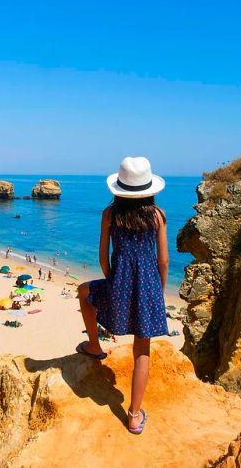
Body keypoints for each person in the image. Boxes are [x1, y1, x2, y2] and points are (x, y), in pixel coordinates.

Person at [76, 156, 168, 436]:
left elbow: (103, 257)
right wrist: (159, 290)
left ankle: (94, 345)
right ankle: (134, 415)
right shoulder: (157, 216)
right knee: (142, 350)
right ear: (149, 189)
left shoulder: (109, 214)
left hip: (119, 282)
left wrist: (113, 279)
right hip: (148, 285)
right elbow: (163, 261)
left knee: (84, 292)